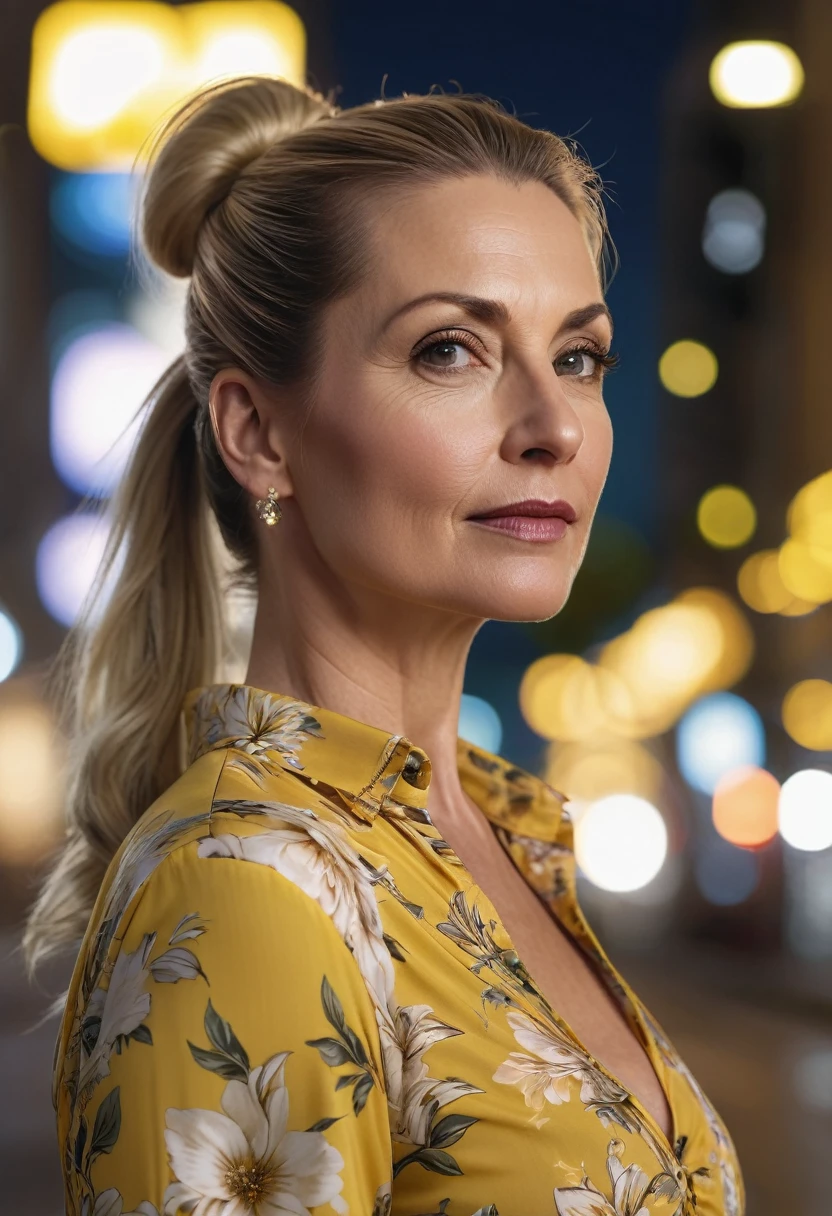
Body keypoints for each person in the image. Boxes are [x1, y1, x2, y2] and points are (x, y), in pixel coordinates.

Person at [24, 76, 744, 1216]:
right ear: (259, 433)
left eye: (579, 357)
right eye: (451, 350)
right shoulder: (251, 883)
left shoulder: (499, 837)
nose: (553, 427)